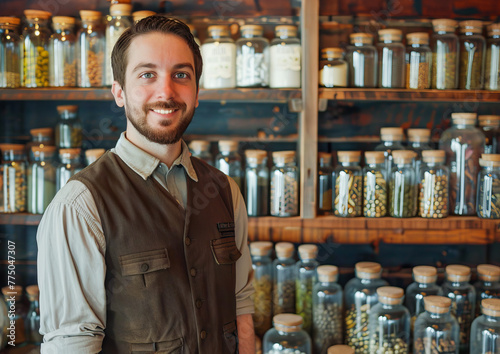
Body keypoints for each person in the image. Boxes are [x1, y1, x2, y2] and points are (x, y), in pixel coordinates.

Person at [36, 16, 255, 353]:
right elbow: (73, 342)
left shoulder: (226, 190)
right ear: (120, 92)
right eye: (147, 75)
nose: (166, 92)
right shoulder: (80, 204)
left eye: (181, 75)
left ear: (197, 93)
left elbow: (241, 305)